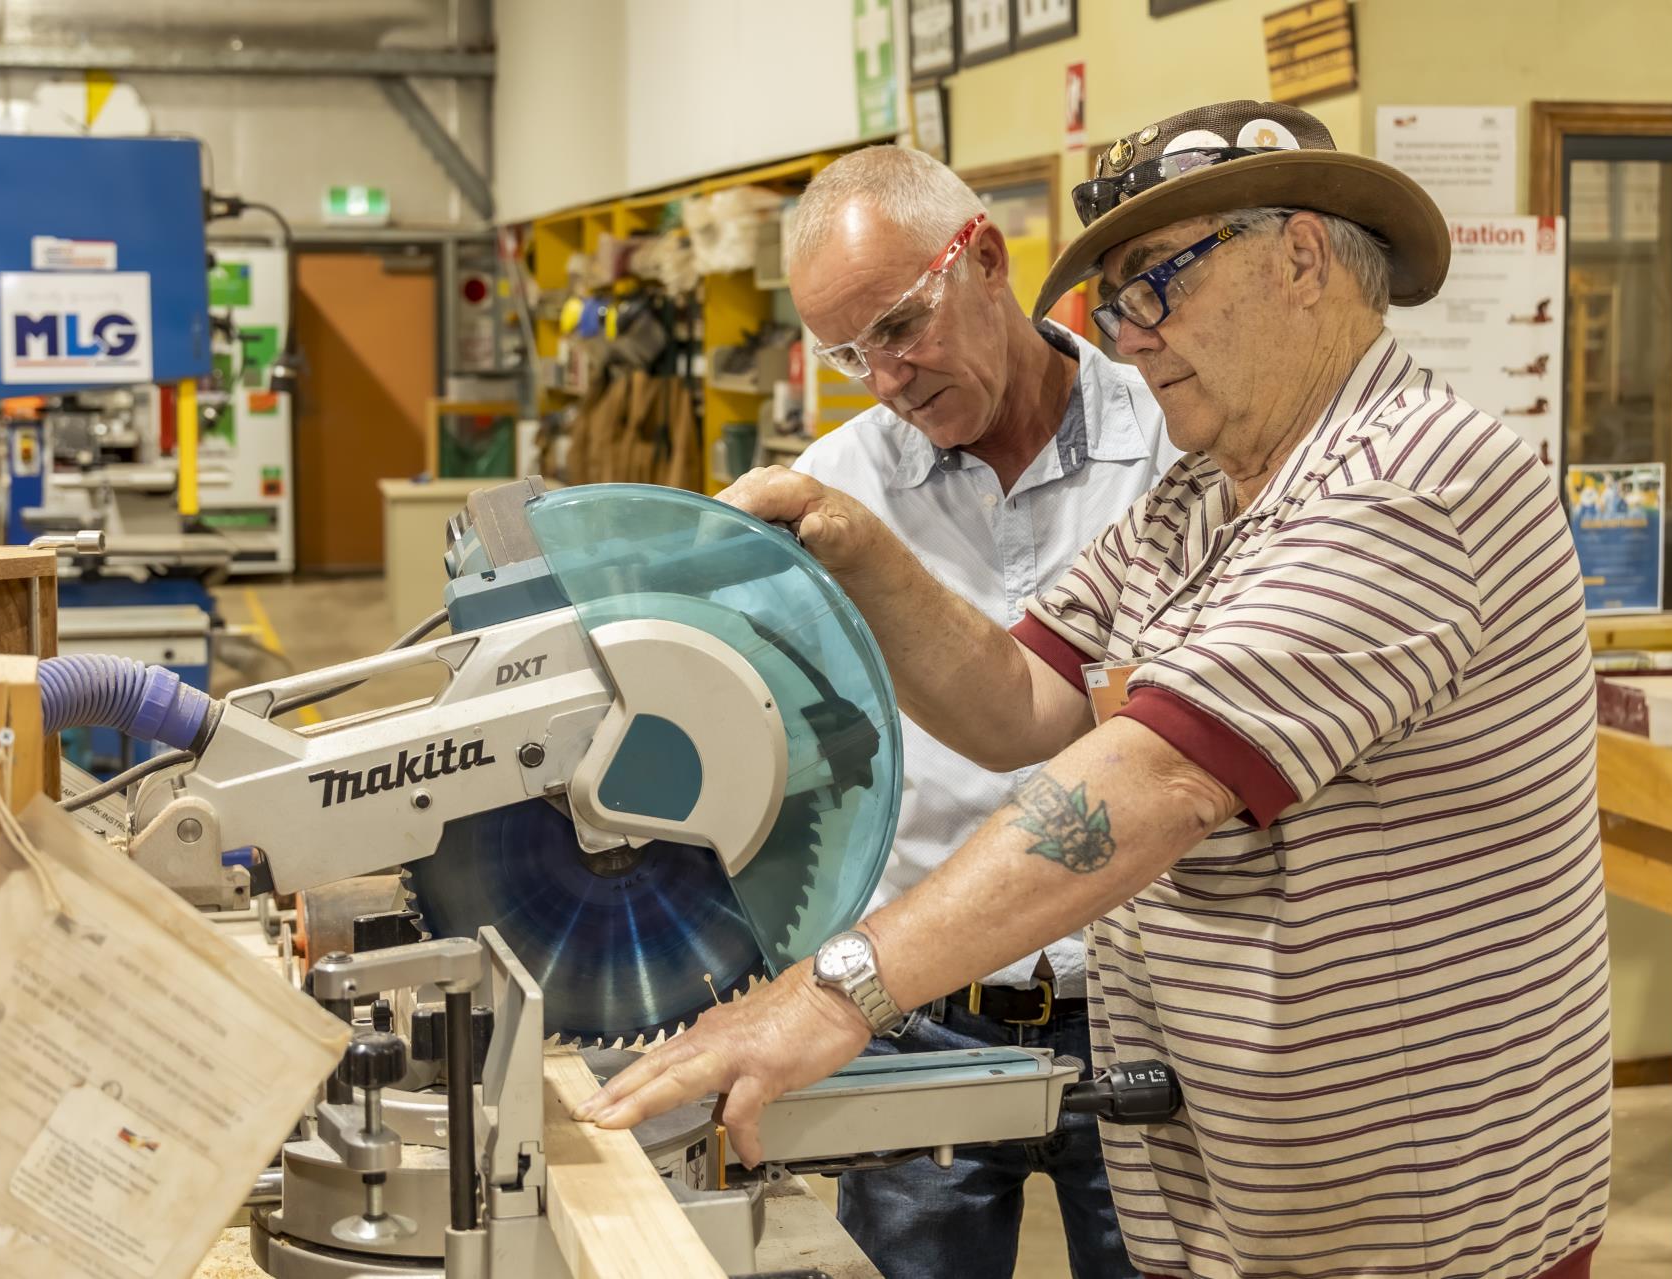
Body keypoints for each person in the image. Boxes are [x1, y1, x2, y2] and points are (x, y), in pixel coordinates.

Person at [579, 99, 1610, 1279]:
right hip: (1247, 1186)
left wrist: (833, 991)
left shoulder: (1411, 482)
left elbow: (1155, 780)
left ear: (1303, 255)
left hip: (1413, 1206)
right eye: (1113, 303)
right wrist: (844, 537)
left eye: (1154, 284)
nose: (1126, 335)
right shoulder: (1207, 498)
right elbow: (1020, 701)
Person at [782, 144, 1179, 1279]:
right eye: (848, 352)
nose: (886, 376)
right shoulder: (838, 487)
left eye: (901, 327)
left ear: (988, 260)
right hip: (921, 1013)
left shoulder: (1168, 450)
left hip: (1149, 1008)